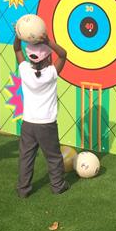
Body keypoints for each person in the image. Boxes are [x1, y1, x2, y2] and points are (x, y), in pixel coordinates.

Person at [13, 32, 70, 198]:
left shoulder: (24, 70)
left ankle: (23, 190)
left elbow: (17, 49)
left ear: (31, 58)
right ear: (47, 59)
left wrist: (19, 34)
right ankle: (58, 186)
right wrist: (48, 41)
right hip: (47, 125)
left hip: (28, 124)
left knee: (26, 157)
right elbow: (63, 54)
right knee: (53, 157)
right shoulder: (51, 73)